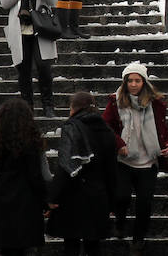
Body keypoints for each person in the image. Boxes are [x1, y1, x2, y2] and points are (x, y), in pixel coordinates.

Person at [102, 63, 168, 254]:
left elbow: (163, 129)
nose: (133, 84)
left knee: (145, 202)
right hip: (123, 160)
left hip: (148, 161)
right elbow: (105, 127)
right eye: (130, 80)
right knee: (122, 196)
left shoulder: (155, 103)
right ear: (125, 82)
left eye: (137, 80)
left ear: (144, 82)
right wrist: (119, 144)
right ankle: (119, 221)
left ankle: (138, 239)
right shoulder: (115, 101)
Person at [47, 92, 118, 255]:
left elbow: (66, 166)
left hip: (72, 195)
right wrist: (112, 201)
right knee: (93, 246)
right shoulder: (107, 131)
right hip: (98, 195)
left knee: (71, 244)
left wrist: (52, 197)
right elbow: (112, 170)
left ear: (73, 109)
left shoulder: (71, 128)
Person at [0, 98, 50, 255]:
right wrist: (45, 200)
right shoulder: (31, 142)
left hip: (0, 200)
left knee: (6, 249)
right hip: (25, 202)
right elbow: (35, 176)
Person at [0, 0, 59, 117]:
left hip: (42, 25)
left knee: (44, 66)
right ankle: (28, 108)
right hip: (21, 26)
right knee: (23, 68)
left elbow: (53, 1)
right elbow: (4, 2)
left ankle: (48, 106)